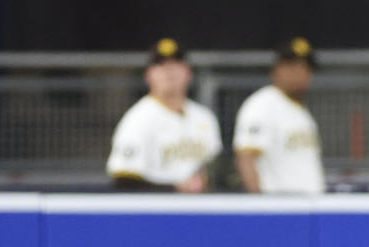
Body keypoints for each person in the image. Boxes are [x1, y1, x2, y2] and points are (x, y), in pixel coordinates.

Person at [106, 38, 222, 192]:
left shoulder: (204, 117)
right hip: (156, 210)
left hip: (199, 209)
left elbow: (216, 168)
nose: (169, 71)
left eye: (176, 64)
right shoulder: (138, 120)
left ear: (189, 73)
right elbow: (123, 181)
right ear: (148, 75)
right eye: (161, 65)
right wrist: (175, 188)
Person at [233, 37, 326, 195]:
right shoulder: (263, 104)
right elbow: (246, 159)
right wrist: (262, 207)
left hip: (307, 207)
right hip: (280, 208)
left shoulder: (300, 111)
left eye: (304, 68)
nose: (299, 73)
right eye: (291, 66)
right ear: (276, 70)